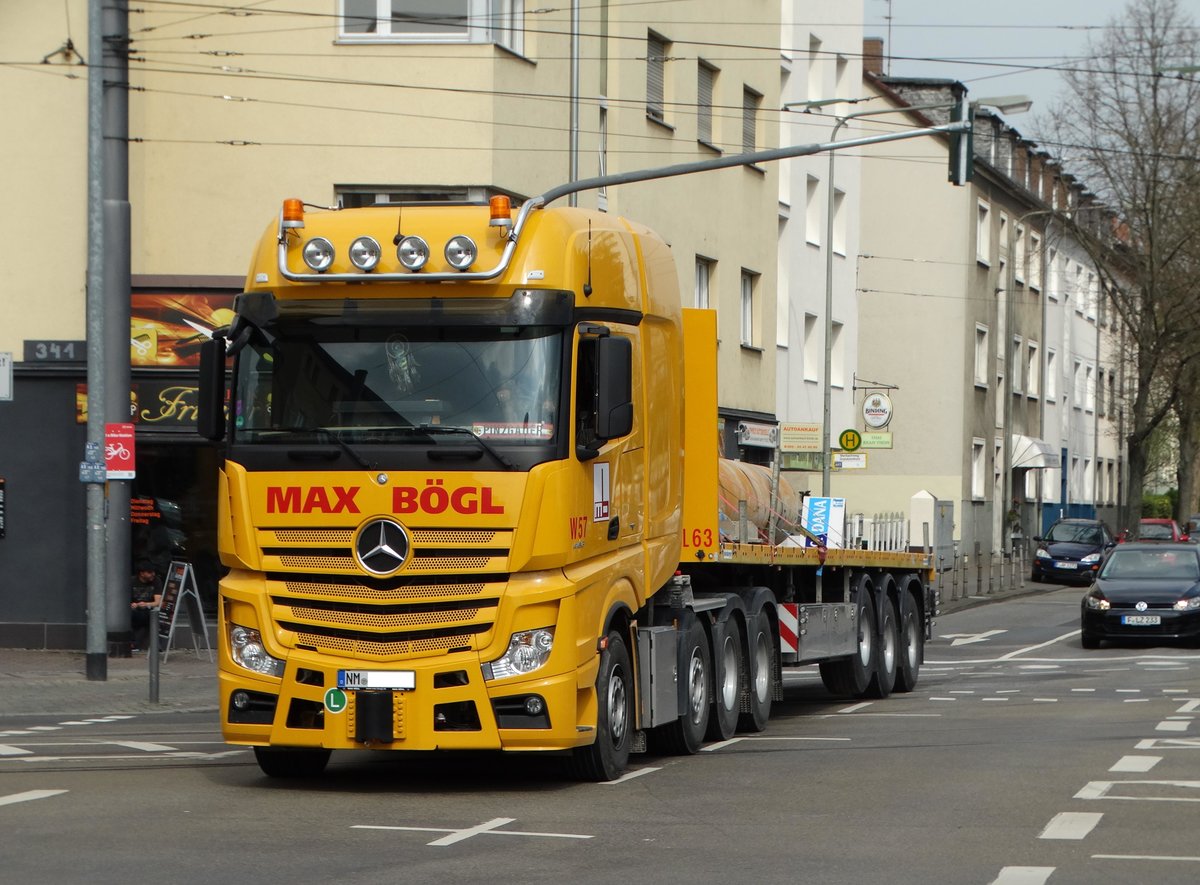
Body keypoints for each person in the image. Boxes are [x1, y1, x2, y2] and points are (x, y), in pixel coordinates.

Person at [130, 560, 162, 652]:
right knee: (127, 615)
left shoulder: (156, 581)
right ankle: (132, 643)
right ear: (142, 573)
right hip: (135, 610)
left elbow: (158, 602)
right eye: (149, 572)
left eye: (153, 572)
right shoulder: (132, 581)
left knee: (153, 614)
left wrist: (147, 604)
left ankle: (155, 644)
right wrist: (133, 604)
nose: (153, 574)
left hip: (149, 610)